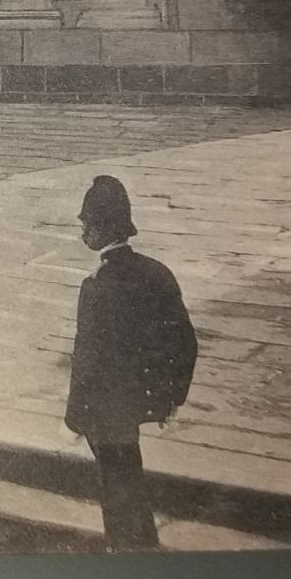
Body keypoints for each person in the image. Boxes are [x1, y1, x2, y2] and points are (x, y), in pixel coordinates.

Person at [65, 176, 198, 551]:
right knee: (128, 472)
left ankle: (126, 548)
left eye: (86, 226)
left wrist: (74, 416)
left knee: (115, 479)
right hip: (142, 399)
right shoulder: (157, 272)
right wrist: (173, 395)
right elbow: (185, 341)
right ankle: (140, 543)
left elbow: (86, 359)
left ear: (101, 228)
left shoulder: (96, 286)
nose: (83, 234)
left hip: (107, 408)